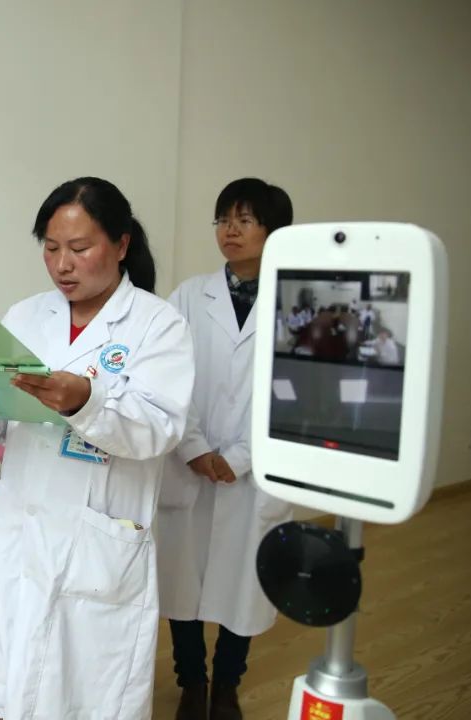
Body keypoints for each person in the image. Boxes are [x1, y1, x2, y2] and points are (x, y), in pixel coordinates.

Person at [0, 177, 195, 719]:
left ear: (122, 244)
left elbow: (159, 428)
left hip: (96, 541)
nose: (62, 265)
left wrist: (86, 400)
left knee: (82, 696)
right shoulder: (26, 315)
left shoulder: (158, 326)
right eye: (51, 247)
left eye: (80, 248)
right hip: (23, 532)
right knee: (13, 687)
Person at [156, 177, 294, 720]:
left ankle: (227, 686)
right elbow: (166, 377)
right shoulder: (189, 296)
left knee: (244, 584)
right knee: (182, 582)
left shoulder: (297, 304)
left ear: (273, 231)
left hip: (255, 472)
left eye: (245, 220)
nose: (230, 230)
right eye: (223, 219)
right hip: (188, 464)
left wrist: (238, 458)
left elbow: (294, 394)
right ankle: (191, 682)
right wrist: (194, 448)